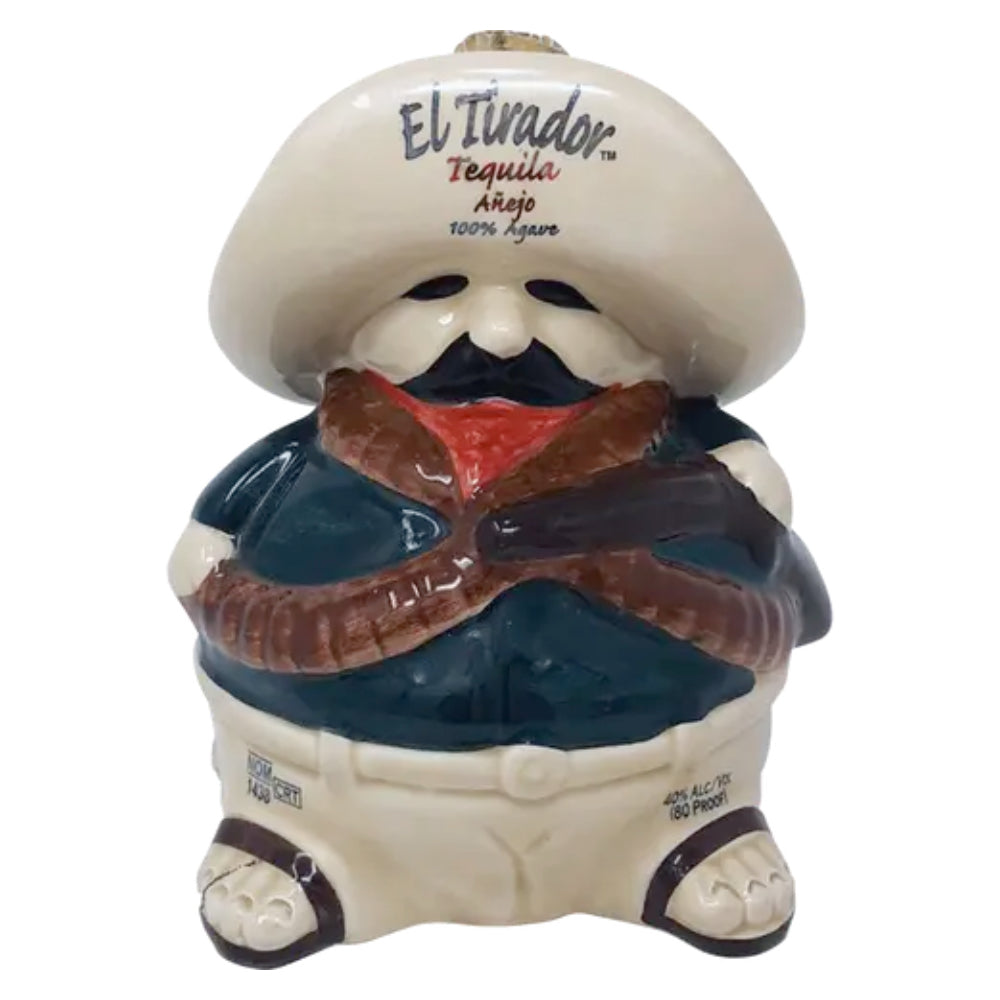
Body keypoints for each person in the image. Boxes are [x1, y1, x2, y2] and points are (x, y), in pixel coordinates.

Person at [169, 30, 830, 968]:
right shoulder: (304, 457)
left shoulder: (691, 472)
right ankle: (298, 851)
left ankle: (690, 841)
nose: (501, 333)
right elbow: (205, 554)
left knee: (685, 825)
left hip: (664, 790)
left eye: (562, 294)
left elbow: (778, 568)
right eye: (438, 289)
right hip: (330, 795)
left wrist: (738, 497)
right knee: (310, 840)